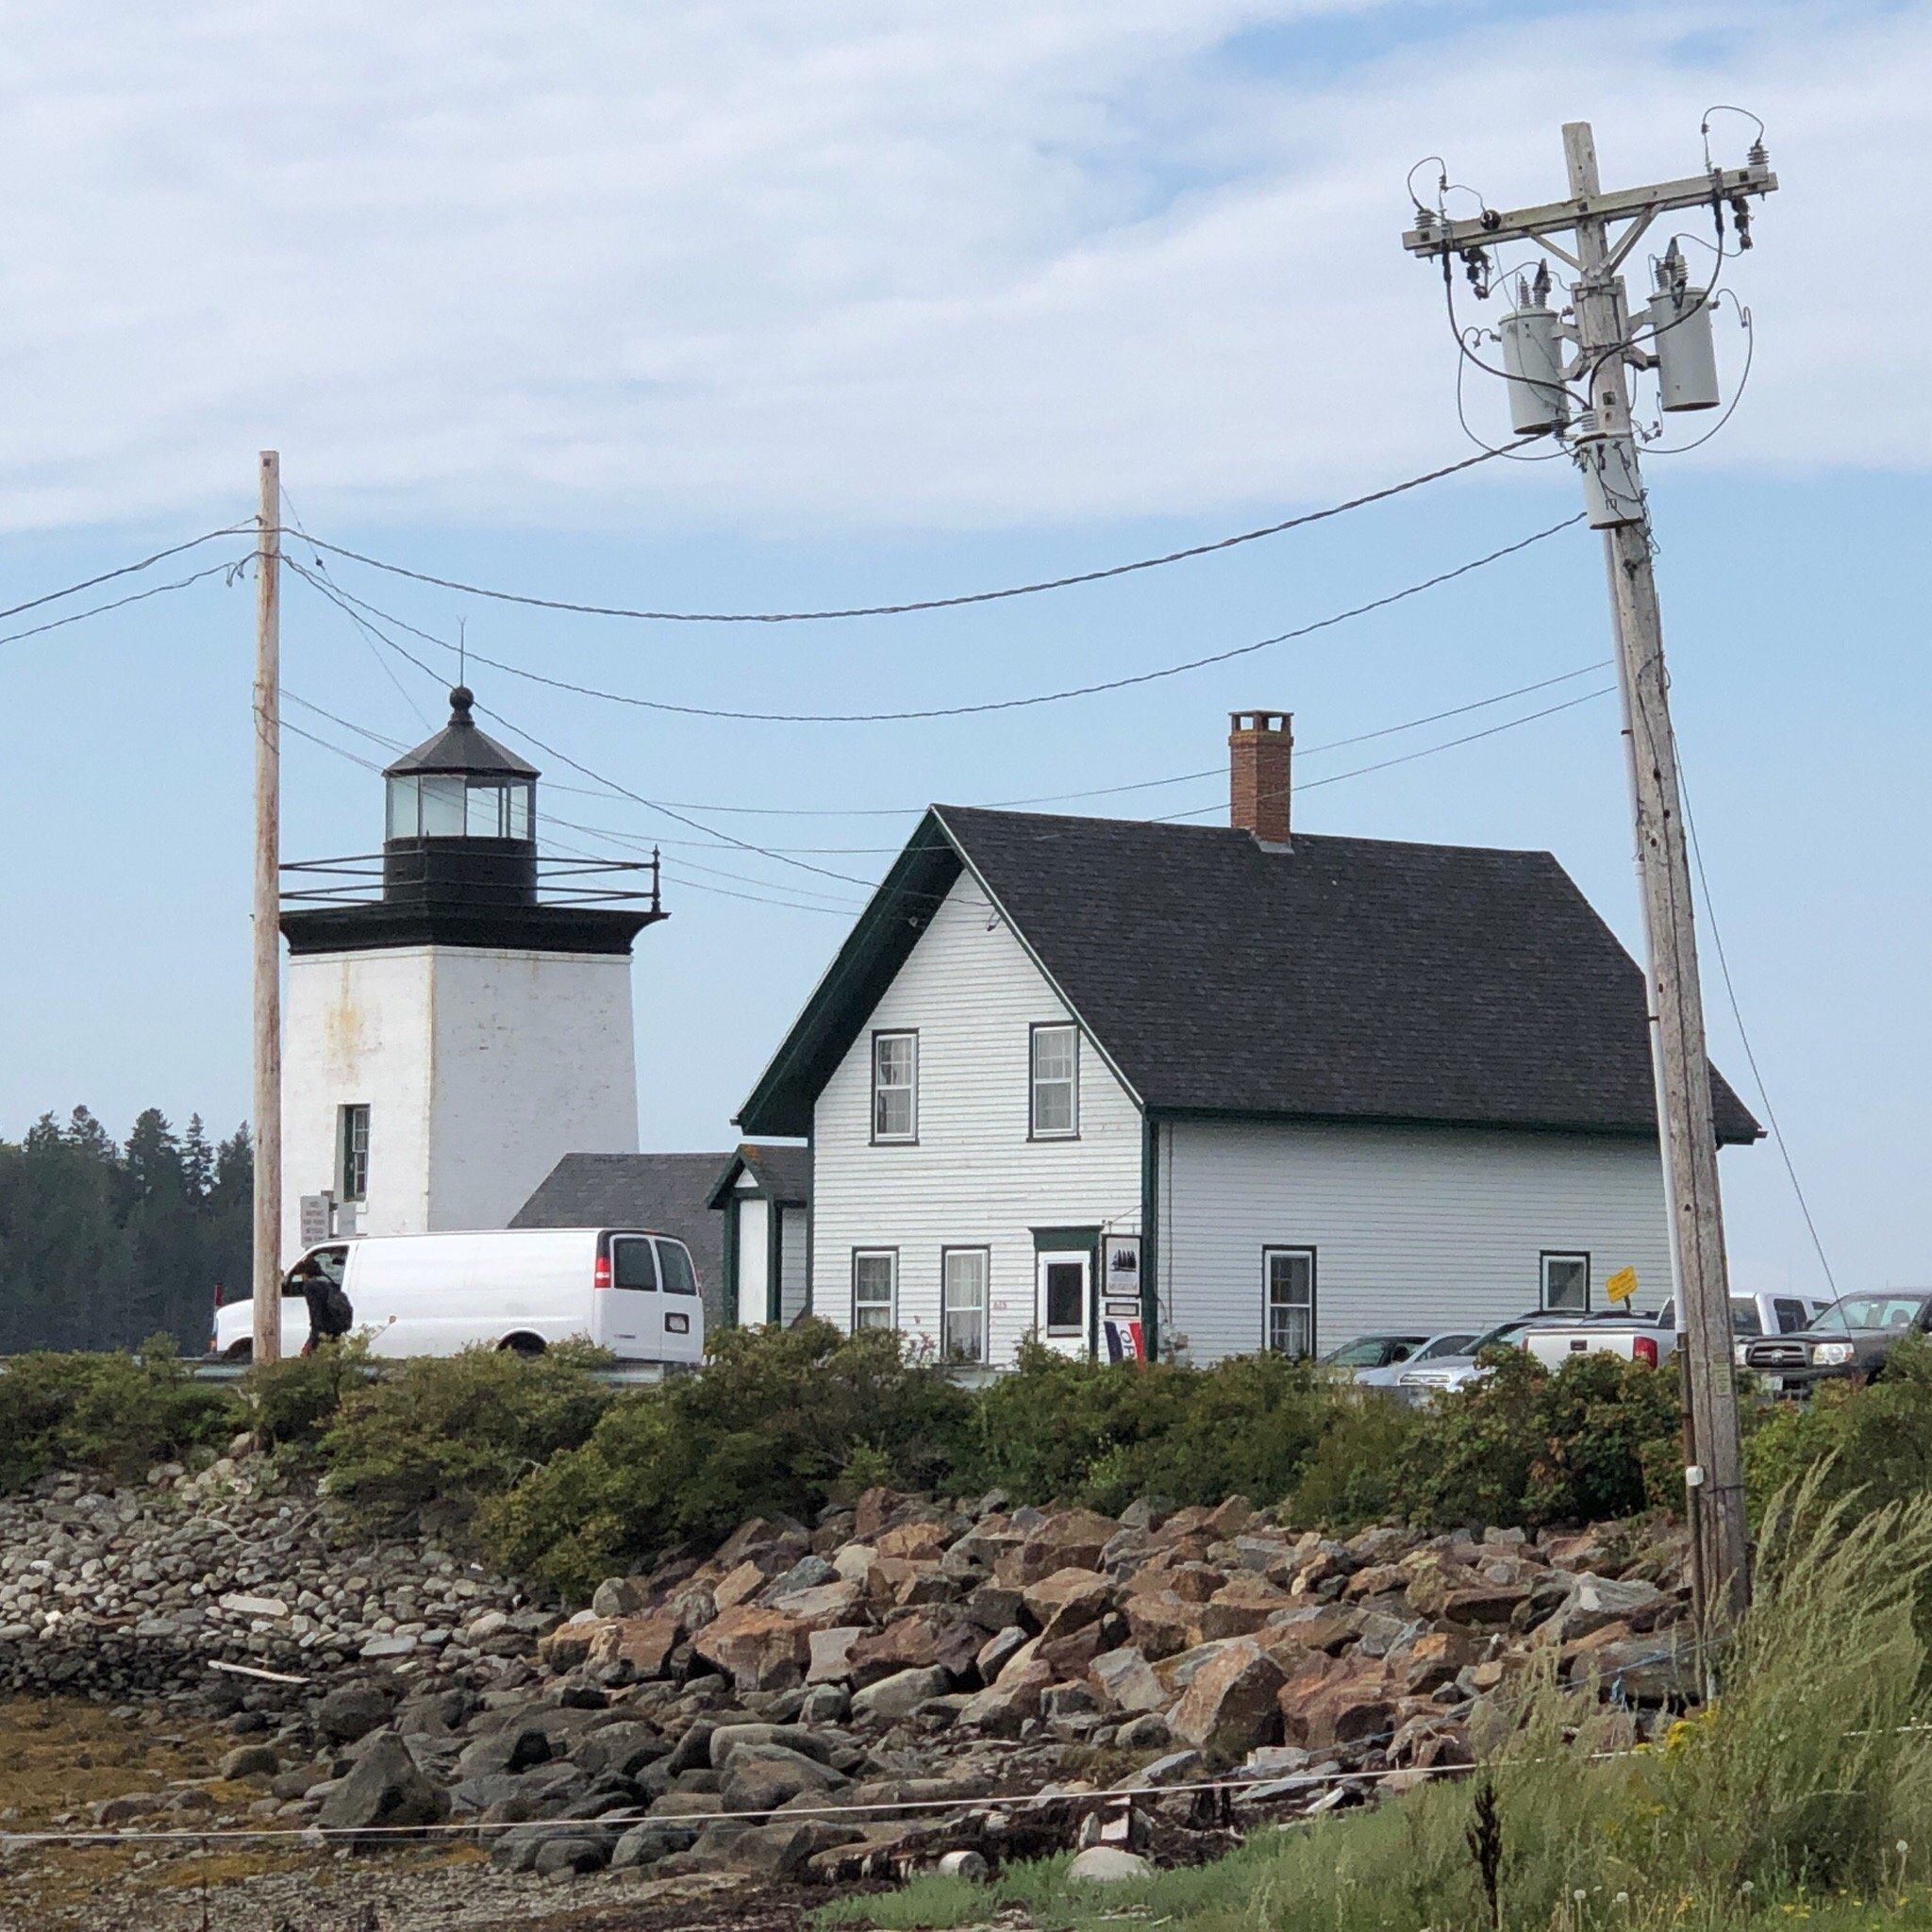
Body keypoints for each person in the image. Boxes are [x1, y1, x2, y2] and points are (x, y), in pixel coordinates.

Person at [291, 1255, 354, 1356]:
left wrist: (312, 1340)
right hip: (336, 1328)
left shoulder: (310, 1287)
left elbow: (316, 1315)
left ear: (304, 1274)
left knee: (315, 1360)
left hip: (325, 1330)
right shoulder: (327, 1284)